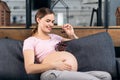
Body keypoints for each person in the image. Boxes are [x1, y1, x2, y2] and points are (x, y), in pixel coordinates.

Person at [23, 7, 112, 80]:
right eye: (48, 21)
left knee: (106, 76)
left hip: (68, 73)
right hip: (51, 74)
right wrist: (54, 65)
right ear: (38, 20)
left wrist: (71, 34)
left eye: (53, 21)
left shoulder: (55, 37)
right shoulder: (31, 41)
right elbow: (29, 68)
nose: (51, 24)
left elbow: (79, 44)